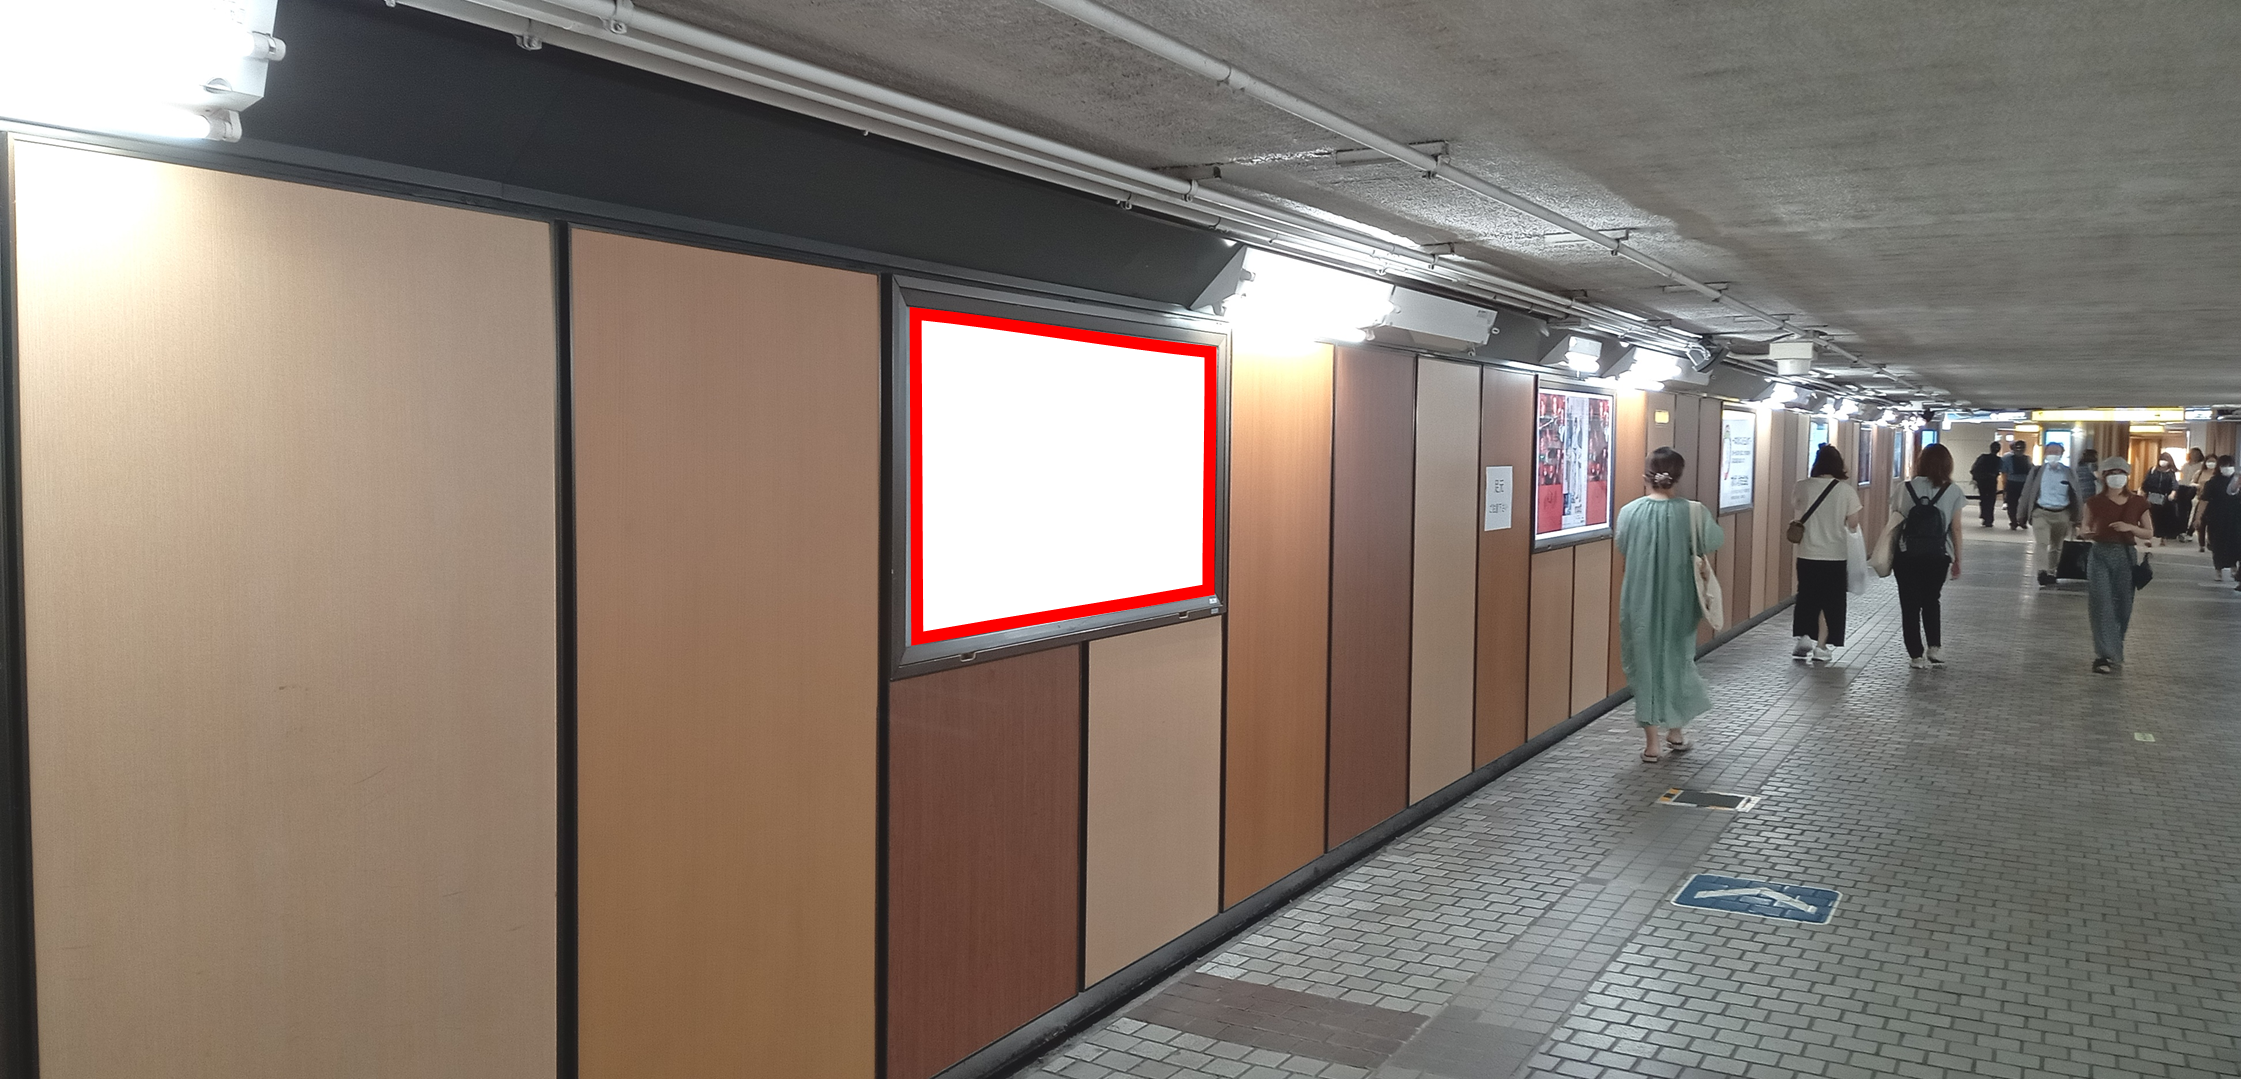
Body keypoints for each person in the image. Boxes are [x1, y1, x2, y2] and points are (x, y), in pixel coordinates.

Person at [1615, 447, 1724, 762]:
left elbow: (1623, 545)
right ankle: (1675, 731)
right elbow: (1713, 541)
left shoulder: (1629, 512)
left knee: (1643, 664)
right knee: (1677, 659)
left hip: (1638, 599)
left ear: (1645, 476)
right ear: (1678, 476)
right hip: (1679, 599)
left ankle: (1651, 744)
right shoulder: (1693, 512)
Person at [1891, 443, 1967, 669]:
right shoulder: (1953, 490)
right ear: (1948, 464)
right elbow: (1956, 528)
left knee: (1910, 605)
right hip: (1938, 555)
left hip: (1906, 554)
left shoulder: (1904, 488)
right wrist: (1958, 559)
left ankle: (1916, 655)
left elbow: (1895, 522)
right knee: (1931, 600)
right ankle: (1934, 647)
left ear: (1920, 462)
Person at [1790, 444, 1862, 662]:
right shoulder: (1846, 491)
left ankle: (1803, 636)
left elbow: (1797, 507)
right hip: (1835, 556)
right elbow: (1853, 523)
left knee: (1806, 595)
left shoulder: (1802, 485)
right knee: (1830, 601)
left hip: (1807, 554)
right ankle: (1821, 647)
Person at [2080, 459, 2151, 673]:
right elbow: (2084, 527)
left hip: (2125, 556)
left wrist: (2129, 527)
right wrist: (2086, 533)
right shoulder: (2094, 502)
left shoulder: (2138, 502)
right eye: (2112, 473)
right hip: (2100, 553)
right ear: (2104, 477)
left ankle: (2115, 648)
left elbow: (2148, 532)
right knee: (2101, 603)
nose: (2116, 477)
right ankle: (2102, 655)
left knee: (2123, 605)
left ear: (2127, 476)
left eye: (2120, 473)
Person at [2019, 441, 2080, 586]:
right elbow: (2027, 492)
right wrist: (2021, 514)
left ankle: (2051, 571)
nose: (2053, 455)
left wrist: (2078, 518)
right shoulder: (2037, 472)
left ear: (2062, 454)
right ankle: (2042, 571)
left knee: (2057, 546)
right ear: (2045, 453)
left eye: (2056, 452)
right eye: (2050, 452)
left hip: (2062, 513)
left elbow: (2077, 494)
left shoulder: (2069, 473)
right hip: (2041, 512)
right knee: (2042, 543)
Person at [2200, 454, 2241, 586]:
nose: (2227, 468)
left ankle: (2233, 566)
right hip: (2216, 517)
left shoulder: (2237, 480)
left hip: (2235, 517)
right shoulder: (2213, 482)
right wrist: (2198, 517)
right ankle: (2218, 569)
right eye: (2224, 465)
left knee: (2235, 542)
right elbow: (2204, 500)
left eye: (2230, 465)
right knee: (2217, 543)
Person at [2143, 452, 2183, 545]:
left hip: (2164, 498)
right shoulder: (2153, 470)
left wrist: (2172, 494)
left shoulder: (2171, 473)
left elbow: (2174, 485)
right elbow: (2146, 482)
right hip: (2152, 496)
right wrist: (2143, 492)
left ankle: (2162, 538)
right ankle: (2149, 538)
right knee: (2151, 517)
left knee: (2163, 518)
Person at [1969, 441, 2005, 528]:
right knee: (1991, 500)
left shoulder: (1983, 457)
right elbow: (2002, 470)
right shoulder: (1999, 460)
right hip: (1992, 481)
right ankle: (1989, 518)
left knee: (1984, 498)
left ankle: (1985, 516)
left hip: (1982, 481)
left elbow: (1974, 468)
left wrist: (1976, 478)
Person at [2172, 447, 2204, 543]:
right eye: (2192, 453)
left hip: (2192, 487)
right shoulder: (2185, 465)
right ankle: (2180, 529)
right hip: (2182, 486)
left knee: (2187, 507)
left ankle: (2186, 529)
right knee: (2180, 508)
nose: (2194, 455)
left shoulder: (2201, 466)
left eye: (2196, 454)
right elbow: (2182, 475)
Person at [2002, 440, 2034, 528]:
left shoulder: (2007, 458)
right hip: (2025, 484)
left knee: (2012, 503)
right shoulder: (2027, 459)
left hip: (2012, 483)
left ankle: (2013, 522)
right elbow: (2031, 471)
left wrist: (2005, 485)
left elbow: (2004, 472)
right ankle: (2023, 521)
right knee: (2024, 503)